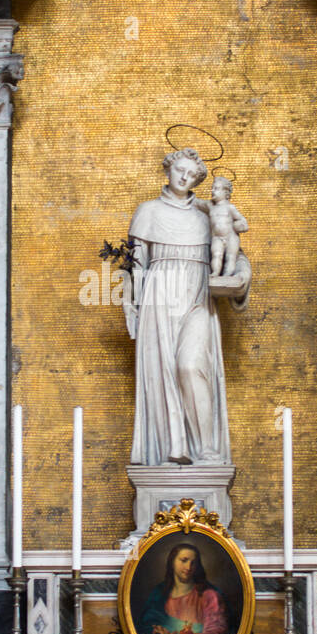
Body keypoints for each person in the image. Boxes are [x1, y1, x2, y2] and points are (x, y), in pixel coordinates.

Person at [124, 147, 230, 465]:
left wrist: (240, 277)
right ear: (167, 172)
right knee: (163, 373)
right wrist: (133, 305)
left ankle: (207, 449)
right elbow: (135, 265)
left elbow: (232, 255)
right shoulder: (148, 212)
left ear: (197, 179)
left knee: (190, 365)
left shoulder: (206, 215)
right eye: (178, 170)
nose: (183, 177)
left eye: (191, 173)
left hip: (197, 299)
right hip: (159, 301)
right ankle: (172, 447)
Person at [139, 542, 230, 634]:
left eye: (193, 562)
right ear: (172, 562)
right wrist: (156, 633)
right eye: (184, 560)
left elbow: (218, 631)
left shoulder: (209, 595)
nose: (188, 567)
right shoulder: (159, 593)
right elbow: (145, 626)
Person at [208, 175, 248, 278]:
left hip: (231, 237)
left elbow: (242, 220)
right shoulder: (211, 208)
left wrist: (238, 225)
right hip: (217, 238)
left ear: (225, 193)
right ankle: (215, 272)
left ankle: (227, 275)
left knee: (230, 257)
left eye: (216, 189)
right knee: (216, 255)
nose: (212, 191)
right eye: (212, 188)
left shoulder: (230, 207)